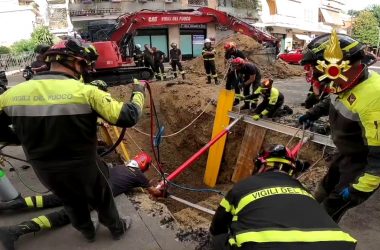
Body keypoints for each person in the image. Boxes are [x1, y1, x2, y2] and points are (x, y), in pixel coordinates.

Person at [0, 38, 146, 242]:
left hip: (44, 168)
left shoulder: (10, 95)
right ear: (76, 62)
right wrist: (139, 93)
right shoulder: (87, 93)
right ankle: (116, 228)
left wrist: (21, 138)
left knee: (70, 201)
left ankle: (87, 232)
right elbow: (128, 116)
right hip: (84, 166)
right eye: (85, 64)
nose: (85, 70)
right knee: (102, 198)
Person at [0, 152, 162, 250]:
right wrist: (162, 191)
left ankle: (9, 206)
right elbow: (153, 192)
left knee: (50, 199)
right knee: (64, 215)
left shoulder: (119, 167)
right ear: (143, 165)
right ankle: (14, 231)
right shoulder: (138, 176)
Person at [298, 30, 380, 222]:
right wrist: (312, 113)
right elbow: (332, 99)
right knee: (321, 191)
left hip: (360, 164)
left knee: (329, 211)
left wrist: (360, 188)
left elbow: (379, 157)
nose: (314, 75)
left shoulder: (374, 99)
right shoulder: (345, 82)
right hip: (344, 154)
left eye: (316, 69)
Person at [209, 144, 357, 250]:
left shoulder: (243, 187)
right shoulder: (303, 190)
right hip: (338, 245)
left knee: (219, 240)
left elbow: (217, 226)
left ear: (261, 166)